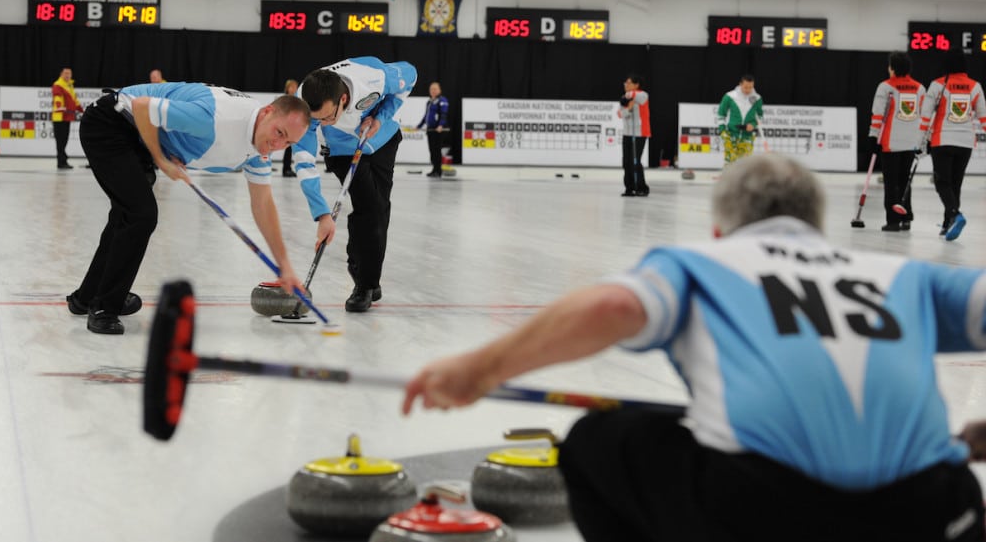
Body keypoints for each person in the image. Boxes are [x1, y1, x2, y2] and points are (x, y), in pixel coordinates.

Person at [402, 153, 986, 542]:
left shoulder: (702, 262)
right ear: (816, 219)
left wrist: (477, 370)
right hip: (933, 510)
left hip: (767, 513)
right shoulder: (899, 274)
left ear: (720, 228)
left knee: (596, 439)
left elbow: (611, 308)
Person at [68, 84, 308, 334]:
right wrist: (160, 158)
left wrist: (285, 267)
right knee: (140, 215)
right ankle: (105, 306)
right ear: (267, 112)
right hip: (112, 123)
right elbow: (141, 107)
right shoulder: (214, 119)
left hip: (137, 134)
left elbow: (263, 203)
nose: (279, 145)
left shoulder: (261, 148)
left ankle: (87, 298)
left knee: (127, 215)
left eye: (289, 142)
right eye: (279, 133)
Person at [290, 56, 417, 313]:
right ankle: (364, 283)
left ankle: (367, 275)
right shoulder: (306, 99)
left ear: (343, 100)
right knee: (370, 208)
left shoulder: (373, 76)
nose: (322, 124)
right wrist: (321, 212)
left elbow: (410, 75)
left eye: (327, 117)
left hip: (382, 140)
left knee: (379, 210)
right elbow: (303, 160)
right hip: (341, 151)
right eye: (318, 121)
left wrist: (381, 116)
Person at [920, 49, 986, 241]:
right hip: (965, 143)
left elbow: (924, 116)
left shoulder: (937, 85)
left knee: (942, 182)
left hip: (943, 140)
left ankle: (955, 215)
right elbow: (983, 117)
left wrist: (920, 141)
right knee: (955, 184)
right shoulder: (975, 86)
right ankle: (948, 223)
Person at [869, 51, 925, 232]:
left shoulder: (885, 87)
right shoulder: (920, 88)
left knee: (891, 182)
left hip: (890, 143)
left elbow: (878, 115)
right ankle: (906, 217)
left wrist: (873, 136)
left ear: (892, 68)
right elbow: (924, 117)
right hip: (911, 143)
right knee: (905, 181)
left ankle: (893, 220)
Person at [717, 74, 763, 168]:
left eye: (750, 87)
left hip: (748, 136)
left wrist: (753, 125)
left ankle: (743, 182)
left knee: (745, 165)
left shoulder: (757, 98)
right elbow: (721, 114)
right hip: (731, 134)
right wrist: (722, 131)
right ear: (740, 84)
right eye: (746, 87)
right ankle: (728, 180)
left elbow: (760, 116)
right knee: (730, 162)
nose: (748, 90)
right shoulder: (730, 96)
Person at [618, 74, 650, 196]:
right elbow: (621, 114)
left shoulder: (643, 95)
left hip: (640, 133)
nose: (626, 85)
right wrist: (629, 108)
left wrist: (627, 100)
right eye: (625, 83)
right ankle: (629, 188)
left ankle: (642, 188)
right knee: (626, 162)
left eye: (629, 83)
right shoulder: (624, 97)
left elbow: (631, 96)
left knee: (634, 161)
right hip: (627, 133)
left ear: (636, 85)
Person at [51, 67, 83, 170]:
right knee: (61, 141)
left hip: (67, 117)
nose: (67, 75)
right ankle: (61, 162)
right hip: (60, 117)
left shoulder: (69, 85)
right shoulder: (58, 85)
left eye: (69, 73)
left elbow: (74, 100)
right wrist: (60, 107)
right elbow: (57, 98)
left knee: (64, 140)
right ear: (61, 74)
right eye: (65, 73)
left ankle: (63, 160)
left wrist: (81, 109)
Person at [416, 81, 449, 178]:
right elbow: (426, 116)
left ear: (439, 90)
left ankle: (438, 171)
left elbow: (444, 114)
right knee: (432, 151)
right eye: (431, 89)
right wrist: (419, 126)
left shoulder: (442, 100)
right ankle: (434, 169)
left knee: (436, 150)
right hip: (430, 130)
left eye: (435, 89)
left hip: (438, 130)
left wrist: (440, 125)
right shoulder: (429, 102)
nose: (433, 91)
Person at [281, 78, 300, 177]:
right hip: (286, 126)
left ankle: (287, 168)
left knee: (290, 148)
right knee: (288, 148)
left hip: (293, 126)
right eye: (291, 87)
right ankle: (286, 169)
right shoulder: (286, 100)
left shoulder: (297, 100)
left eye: (295, 87)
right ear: (287, 88)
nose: (294, 89)